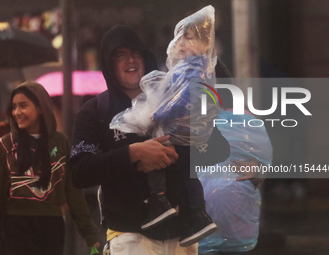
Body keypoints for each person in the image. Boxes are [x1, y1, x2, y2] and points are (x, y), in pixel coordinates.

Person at [69, 24, 229, 255]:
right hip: (130, 238)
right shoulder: (95, 111)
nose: (130, 60)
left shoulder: (176, 101)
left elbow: (217, 148)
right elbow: (79, 172)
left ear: (145, 57)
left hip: (183, 239)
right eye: (120, 55)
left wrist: (173, 154)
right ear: (108, 63)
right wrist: (132, 154)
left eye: (135, 52)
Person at [109, 6, 228, 248]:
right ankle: (193, 215)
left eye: (189, 38)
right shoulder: (188, 68)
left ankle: (163, 204)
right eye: (180, 37)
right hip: (130, 230)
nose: (182, 43)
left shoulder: (194, 69)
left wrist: (156, 114)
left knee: (163, 167)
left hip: (179, 136)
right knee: (185, 175)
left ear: (205, 44)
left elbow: (183, 99)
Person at [0, 81, 100, 255]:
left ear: (40, 108)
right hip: (16, 224)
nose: (17, 112)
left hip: (52, 224)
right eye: (14, 107)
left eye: (23, 106)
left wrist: (90, 234)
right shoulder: (5, 145)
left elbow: (72, 190)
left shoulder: (60, 142)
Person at [198, 60, 272, 255]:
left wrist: (257, 170)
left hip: (217, 228)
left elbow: (261, 163)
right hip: (217, 228)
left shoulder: (241, 119)